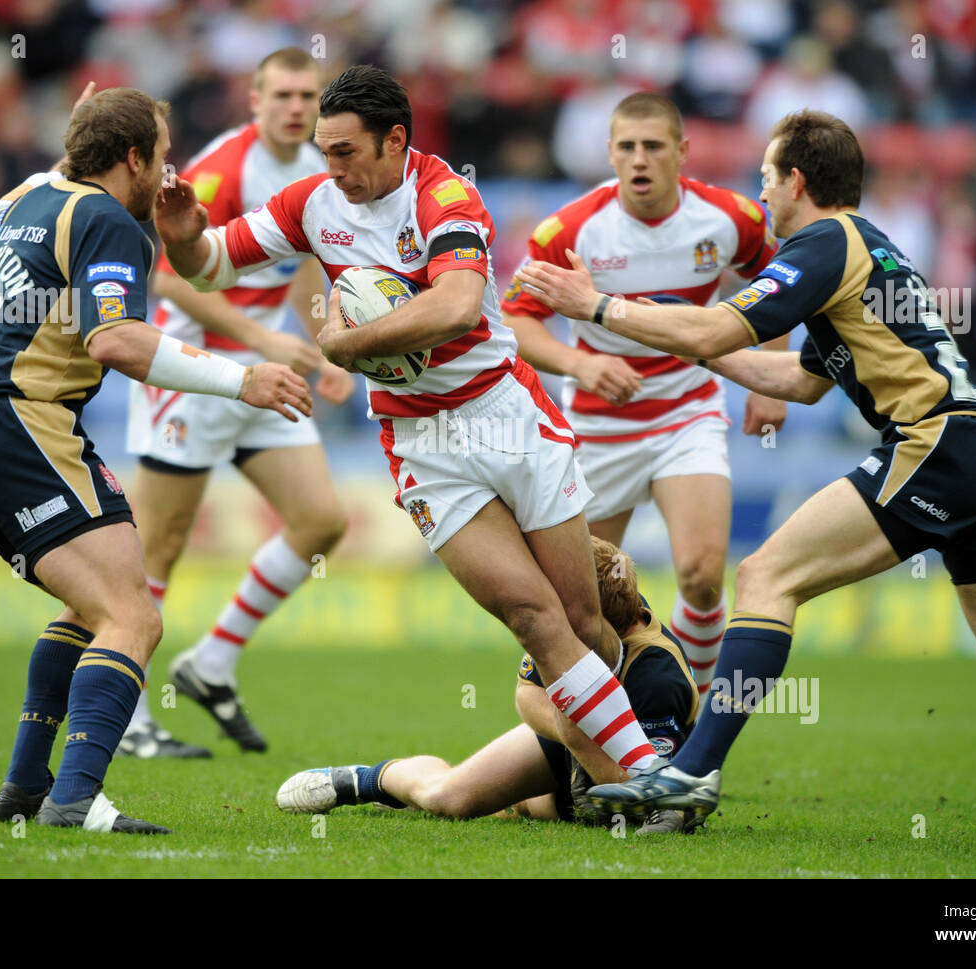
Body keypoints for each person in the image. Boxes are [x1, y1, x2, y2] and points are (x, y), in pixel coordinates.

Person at [517, 109, 976, 829]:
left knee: (766, 576)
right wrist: (676, 342)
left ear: (795, 180)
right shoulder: (868, 246)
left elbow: (715, 327)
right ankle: (689, 768)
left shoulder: (821, 242)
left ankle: (688, 771)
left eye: (767, 177)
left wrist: (598, 306)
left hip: (935, 446)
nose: (762, 193)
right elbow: (801, 380)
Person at [155, 65, 665, 776]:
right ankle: (646, 776)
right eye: (323, 152)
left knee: (584, 621)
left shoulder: (446, 196)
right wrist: (183, 237)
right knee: (533, 616)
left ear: (395, 140)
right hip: (424, 442)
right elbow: (210, 267)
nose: (329, 169)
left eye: (344, 153)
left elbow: (456, 305)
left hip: (504, 414)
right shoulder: (312, 201)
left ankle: (634, 748)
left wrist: (341, 344)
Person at [0, 85, 312, 834]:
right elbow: (117, 340)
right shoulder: (108, 220)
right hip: (21, 423)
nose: (170, 174)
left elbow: (43, 185)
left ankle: (27, 787)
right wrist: (246, 379)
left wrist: (90, 143)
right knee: (133, 617)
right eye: (162, 156)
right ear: (133, 159)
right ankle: (75, 798)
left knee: (95, 607)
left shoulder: (32, 195)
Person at [502, 91, 785, 697]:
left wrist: (773, 370)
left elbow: (781, 283)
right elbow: (517, 325)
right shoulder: (571, 228)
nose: (639, 159)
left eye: (653, 146)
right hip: (600, 428)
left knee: (703, 575)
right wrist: (580, 364)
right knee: (588, 603)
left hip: (689, 411)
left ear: (681, 151)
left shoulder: (729, 217)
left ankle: (692, 727)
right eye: (626, 147)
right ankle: (586, 734)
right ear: (609, 153)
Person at [120, 48, 352, 759]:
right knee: (157, 550)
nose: (294, 106)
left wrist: (327, 342)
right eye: (280, 93)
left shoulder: (318, 173)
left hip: (263, 371)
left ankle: (211, 661)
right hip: (190, 371)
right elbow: (166, 276)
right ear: (253, 102)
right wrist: (261, 339)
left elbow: (307, 260)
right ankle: (127, 719)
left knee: (320, 520)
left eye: (307, 94)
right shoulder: (224, 170)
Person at [275, 536, 698, 832]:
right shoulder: (570, 625)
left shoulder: (656, 675)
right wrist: (572, 733)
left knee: (595, 810)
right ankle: (363, 779)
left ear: (590, 613)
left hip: (623, 754)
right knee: (449, 799)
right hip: (571, 736)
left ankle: (524, 802)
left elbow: (650, 796)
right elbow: (527, 694)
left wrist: (592, 759)